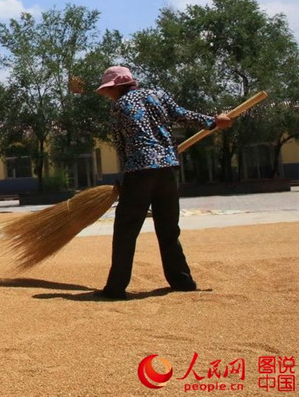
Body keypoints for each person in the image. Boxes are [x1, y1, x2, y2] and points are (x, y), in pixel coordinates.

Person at [94, 66, 232, 300]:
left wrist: (125, 177)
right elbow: (182, 114)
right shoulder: (158, 95)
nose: (108, 94)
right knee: (168, 228)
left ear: (117, 87)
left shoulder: (119, 107)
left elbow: (121, 144)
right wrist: (213, 121)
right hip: (167, 168)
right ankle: (182, 281)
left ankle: (115, 288)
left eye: (108, 90)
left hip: (140, 171)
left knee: (126, 230)